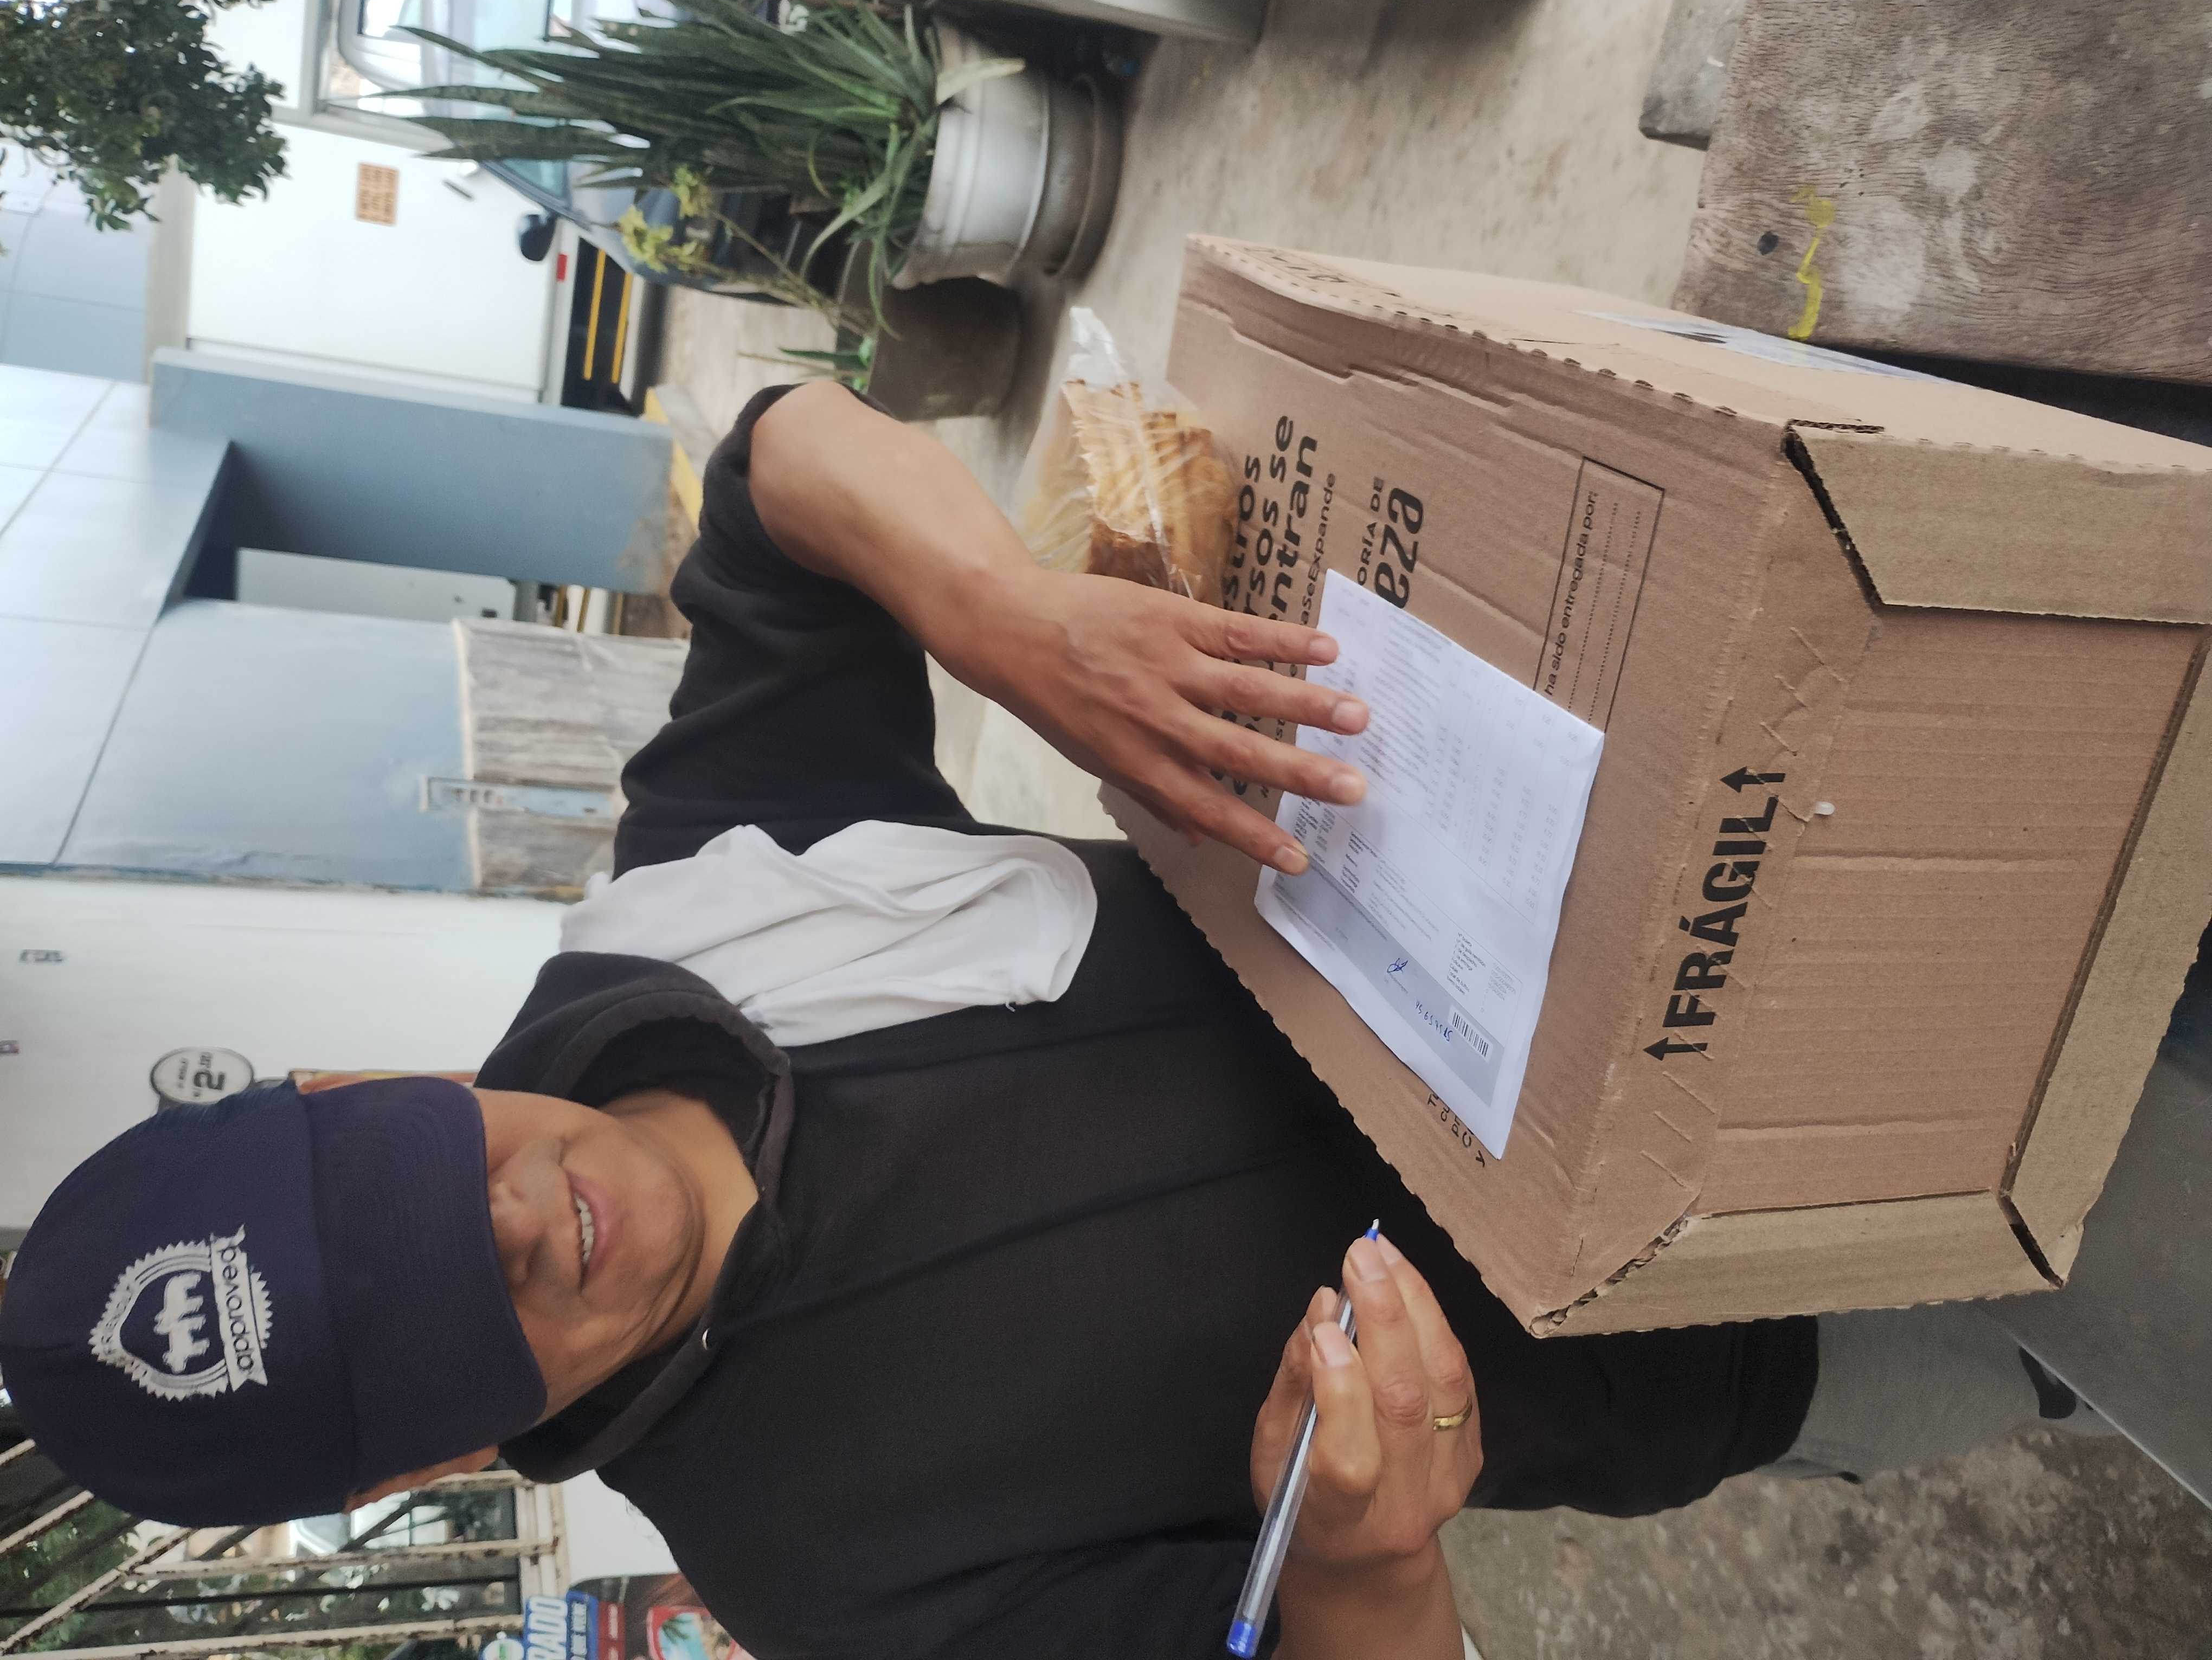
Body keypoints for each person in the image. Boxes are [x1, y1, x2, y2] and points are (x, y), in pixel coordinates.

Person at [0, 385, 2088, 1660]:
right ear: (445, 1452)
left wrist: (1008, 625)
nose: (529, 1228)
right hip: (1763, 1323)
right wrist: (1361, 1565)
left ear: (355, 1085)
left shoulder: (695, 906)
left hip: (1733, 915)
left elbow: (774, 473)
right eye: (459, 1328)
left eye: (413, 1189)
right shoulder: (845, 1589)